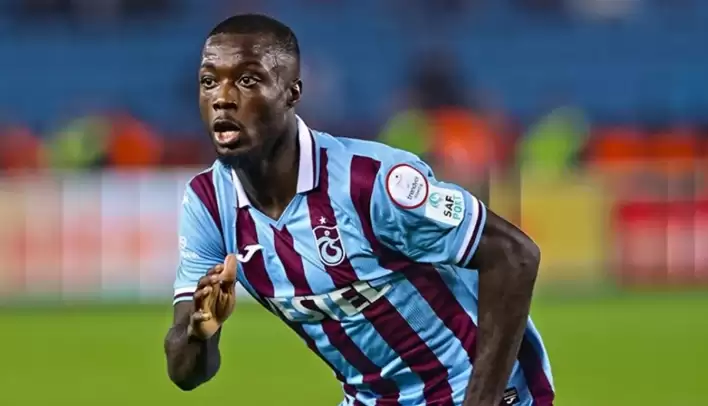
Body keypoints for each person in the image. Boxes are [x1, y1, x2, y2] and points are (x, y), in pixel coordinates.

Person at [163, 13, 554, 406]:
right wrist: (199, 333)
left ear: (292, 93)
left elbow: (514, 254)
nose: (222, 97)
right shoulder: (209, 206)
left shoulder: (371, 182)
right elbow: (185, 374)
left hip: (473, 391)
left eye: (248, 80)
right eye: (209, 81)